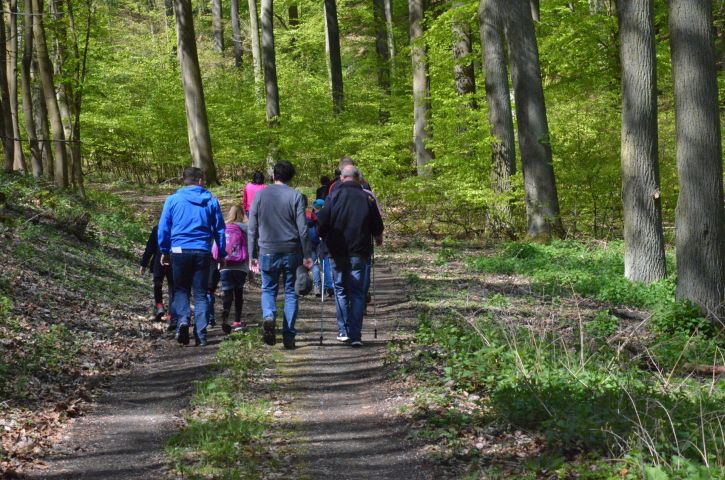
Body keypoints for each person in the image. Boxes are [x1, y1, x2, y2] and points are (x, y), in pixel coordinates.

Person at [247, 161, 313, 349]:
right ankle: (289, 336)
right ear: (291, 177)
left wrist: (252, 254)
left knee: (268, 289)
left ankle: (269, 315)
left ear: (273, 175)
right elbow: (303, 230)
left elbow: (252, 228)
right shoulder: (296, 196)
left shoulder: (259, 195)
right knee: (291, 292)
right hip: (292, 250)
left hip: (267, 250)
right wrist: (307, 253)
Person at [158, 167, 226, 347]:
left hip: (179, 251)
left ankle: (183, 321)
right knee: (201, 294)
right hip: (202, 251)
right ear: (200, 180)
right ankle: (201, 334)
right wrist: (221, 253)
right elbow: (219, 229)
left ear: (184, 180)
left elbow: (164, 227)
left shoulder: (172, 200)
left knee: (181, 290)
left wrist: (164, 250)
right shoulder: (211, 201)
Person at [317, 165, 384, 347]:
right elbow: (378, 226)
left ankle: (343, 330)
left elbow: (322, 220)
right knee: (357, 292)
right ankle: (355, 335)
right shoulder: (367, 198)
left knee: (341, 290)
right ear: (357, 178)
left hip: (337, 251)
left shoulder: (333, 196)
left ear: (342, 178)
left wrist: (322, 236)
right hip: (359, 251)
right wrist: (377, 238)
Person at [219, 206, 250, 333]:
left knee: (227, 292)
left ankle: (225, 315)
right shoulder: (245, 228)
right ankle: (237, 321)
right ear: (242, 215)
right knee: (238, 293)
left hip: (225, 265)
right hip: (240, 266)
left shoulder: (222, 227)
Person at [139, 223, 175, 330]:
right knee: (172, 289)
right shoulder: (179, 227)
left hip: (160, 262)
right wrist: (144, 263)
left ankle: (160, 307)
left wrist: (144, 264)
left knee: (158, 285)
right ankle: (169, 314)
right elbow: (150, 247)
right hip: (172, 262)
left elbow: (150, 247)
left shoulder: (158, 227)